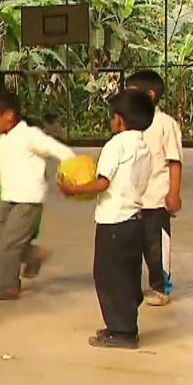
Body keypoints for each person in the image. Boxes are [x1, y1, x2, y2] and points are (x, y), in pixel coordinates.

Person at [57, 89, 154, 349]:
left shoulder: (116, 145)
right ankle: (122, 324)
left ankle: (122, 332)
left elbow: (102, 183)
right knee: (128, 275)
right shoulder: (145, 148)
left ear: (119, 120)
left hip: (113, 222)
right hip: (135, 221)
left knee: (108, 277)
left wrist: (73, 189)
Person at [0, 92, 75, 300]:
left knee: (8, 244)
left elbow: (61, 151)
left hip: (28, 200)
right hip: (7, 197)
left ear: (8, 116)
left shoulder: (30, 135)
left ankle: (7, 287)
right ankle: (34, 255)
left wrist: (69, 174)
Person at [125, 70, 183, 307]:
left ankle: (161, 288)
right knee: (132, 246)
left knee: (156, 247)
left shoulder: (165, 124)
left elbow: (174, 160)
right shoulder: (130, 124)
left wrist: (174, 193)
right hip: (132, 199)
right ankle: (132, 288)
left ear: (150, 95)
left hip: (156, 199)